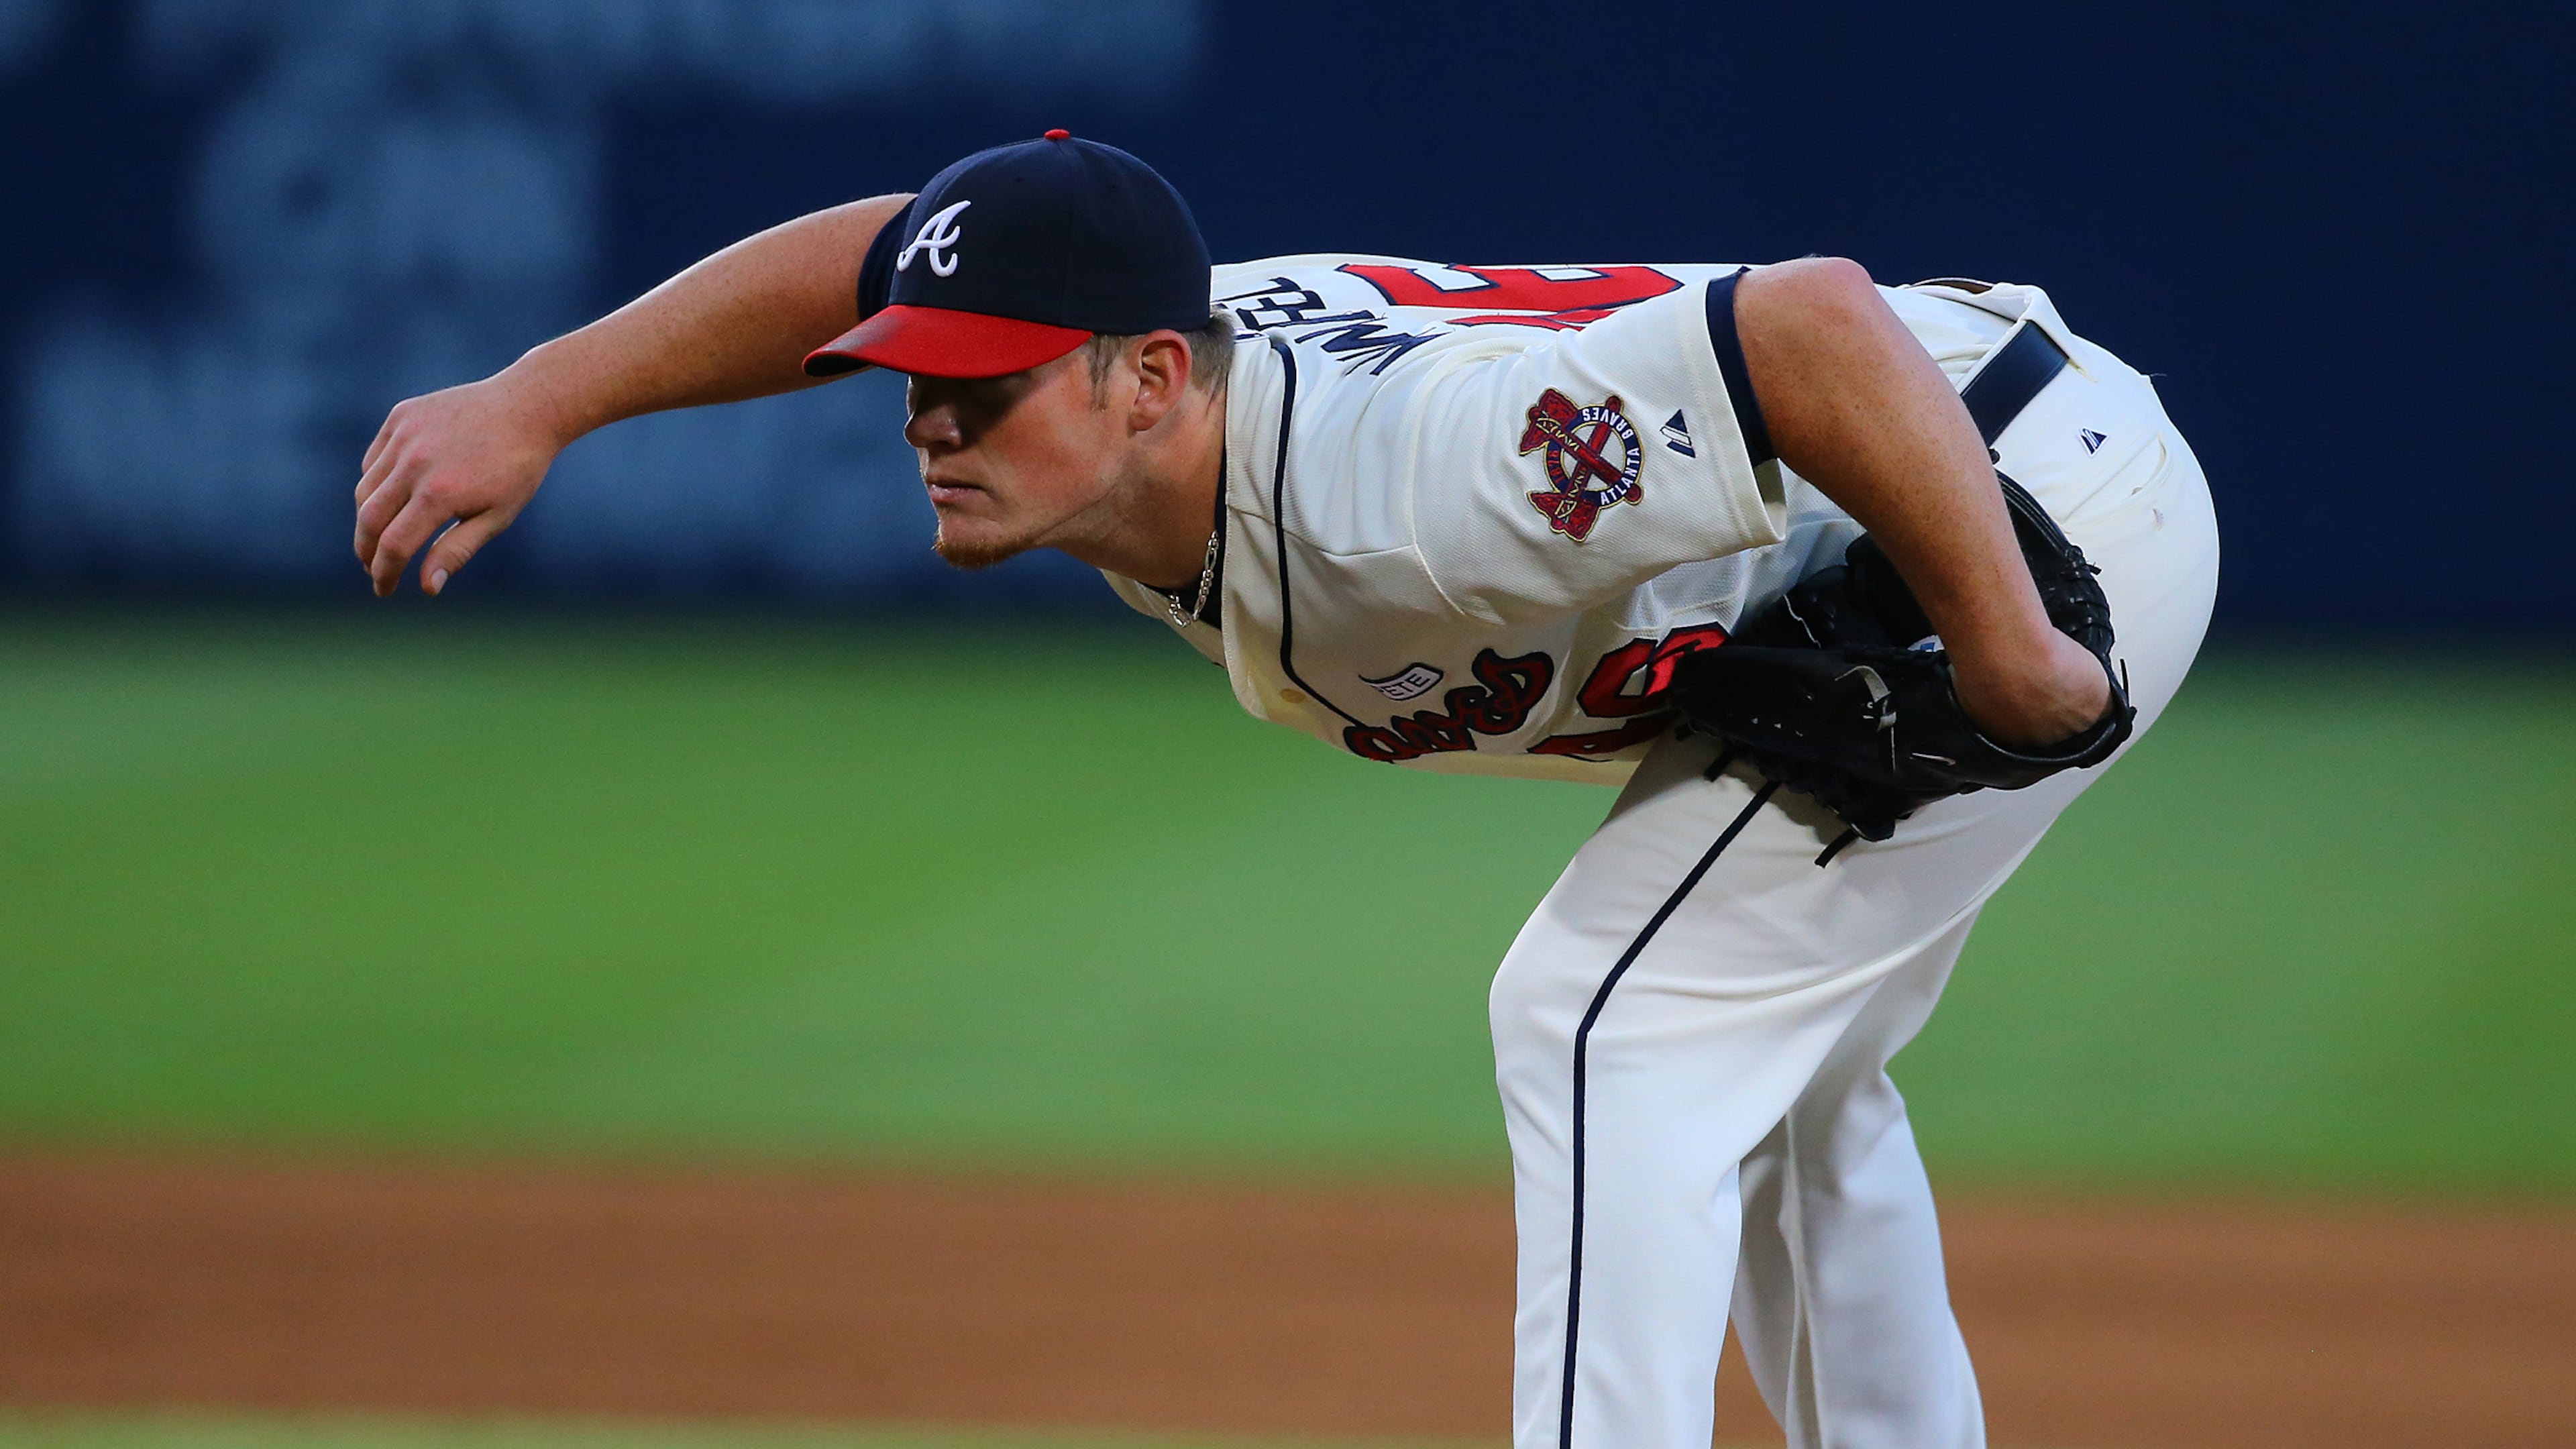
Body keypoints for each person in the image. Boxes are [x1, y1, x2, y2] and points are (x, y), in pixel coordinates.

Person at [353, 132, 2218, 1449]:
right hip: (1961, 485)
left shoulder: (1408, 483)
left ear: (1150, 377)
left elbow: (1810, 327)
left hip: (2013, 508)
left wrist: (2016, 656)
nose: (927, 415)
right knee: (1779, 1090)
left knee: (1603, 1026)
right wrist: (546, 395)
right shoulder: (1160, 398)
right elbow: (882, 254)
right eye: (918, 377)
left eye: (983, 386)